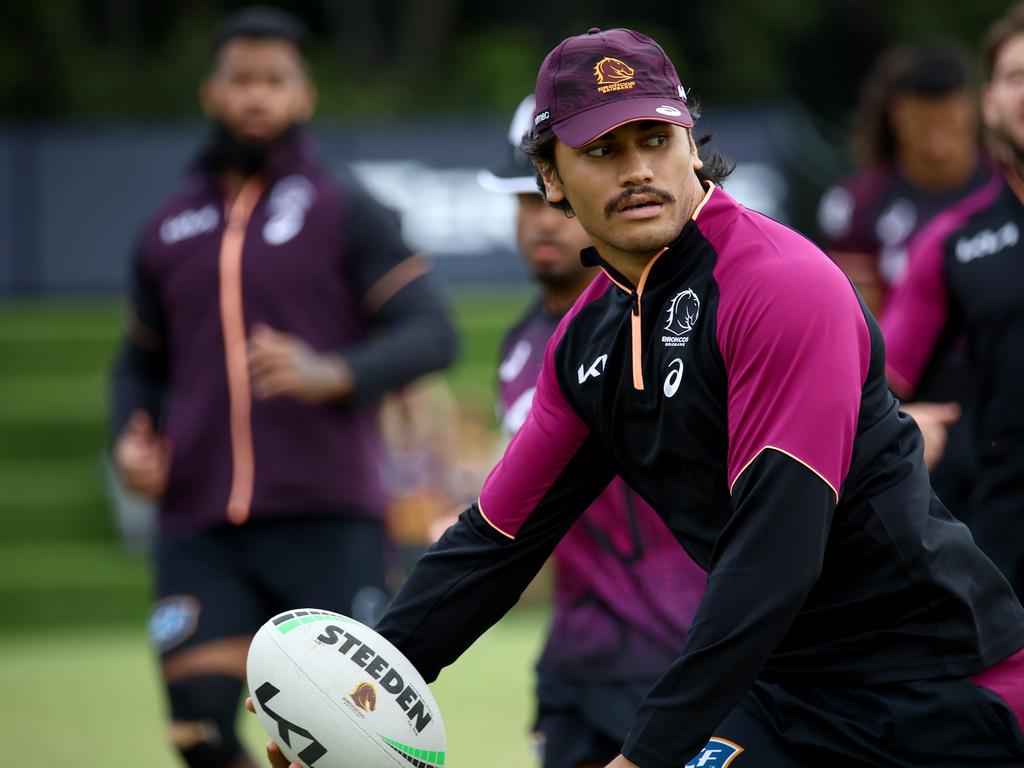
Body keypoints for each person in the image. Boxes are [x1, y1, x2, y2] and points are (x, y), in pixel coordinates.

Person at [259, 27, 1024, 768]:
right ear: (550, 179)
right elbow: (494, 543)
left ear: (691, 144)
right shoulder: (587, 338)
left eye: (655, 140)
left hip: (943, 692)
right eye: (601, 150)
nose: (637, 170)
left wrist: (644, 754)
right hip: (792, 695)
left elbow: (775, 557)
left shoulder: (782, 286)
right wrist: (358, 695)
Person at [110, 7, 457, 768]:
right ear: (211, 92)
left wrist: (334, 373)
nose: (256, 98)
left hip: (328, 519)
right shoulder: (167, 227)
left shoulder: (344, 209)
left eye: (275, 81)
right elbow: (137, 364)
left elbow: (433, 332)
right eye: (241, 81)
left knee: (339, 752)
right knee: (198, 732)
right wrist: (130, 435)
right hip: (200, 526)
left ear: (304, 97)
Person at [480, 94, 706, 768]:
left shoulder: (673, 319)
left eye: (546, 203)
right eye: (525, 202)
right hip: (576, 659)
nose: (541, 222)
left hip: (673, 650)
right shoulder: (524, 344)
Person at [882, 2, 1024, 603]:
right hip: (1005, 559)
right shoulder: (953, 243)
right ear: (988, 103)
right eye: (1017, 76)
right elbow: (868, 382)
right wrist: (894, 425)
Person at [816, 42, 994, 514]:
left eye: (949, 110)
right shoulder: (860, 205)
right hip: (911, 404)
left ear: (974, 109)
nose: (938, 127)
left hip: (1002, 392)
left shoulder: (1008, 186)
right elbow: (854, 325)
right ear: (895, 116)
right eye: (922, 113)